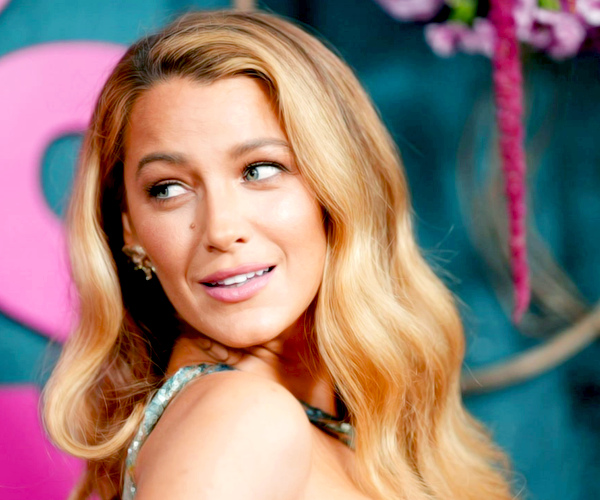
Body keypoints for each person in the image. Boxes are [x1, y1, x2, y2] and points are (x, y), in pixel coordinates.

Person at [44, 9, 513, 500]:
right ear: (130, 227)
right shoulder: (243, 420)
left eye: (260, 170)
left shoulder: (324, 430)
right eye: (168, 188)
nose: (221, 230)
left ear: (342, 184)